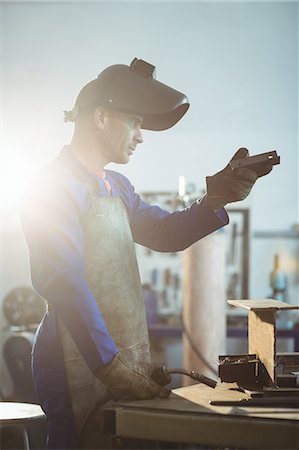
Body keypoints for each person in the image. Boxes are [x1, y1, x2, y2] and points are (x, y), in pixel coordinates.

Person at [20, 57, 264, 449]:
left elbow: (165, 233)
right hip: (71, 357)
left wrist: (214, 200)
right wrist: (109, 365)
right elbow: (65, 281)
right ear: (101, 117)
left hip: (115, 357)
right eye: (134, 121)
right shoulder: (53, 186)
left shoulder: (116, 185)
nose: (141, 135)